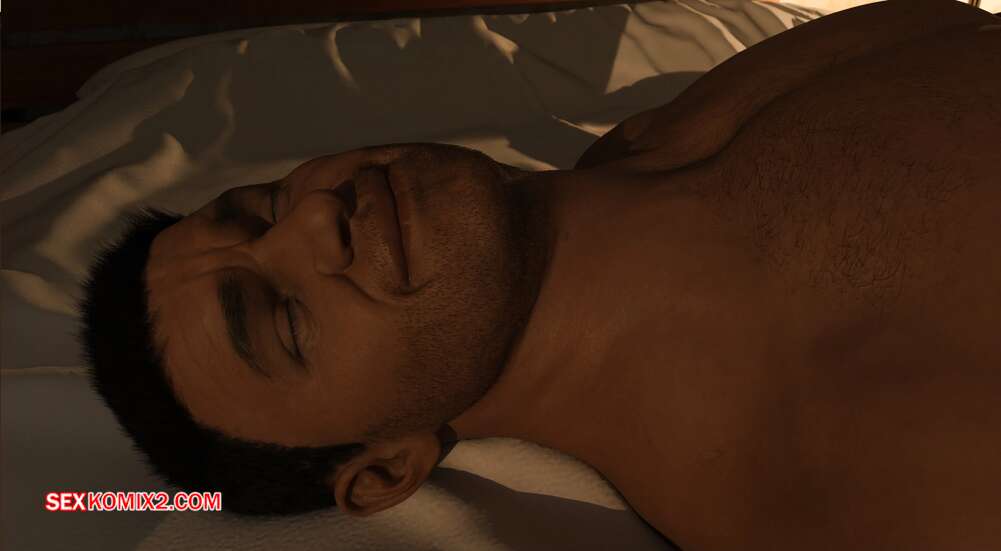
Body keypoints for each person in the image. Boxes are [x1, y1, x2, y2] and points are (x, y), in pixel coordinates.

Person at [78, 0, 1001, 549]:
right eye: (285, 320)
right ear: (386, 467)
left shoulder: (672, 130)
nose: (314, 218)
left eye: (264, 205)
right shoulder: (862, 486)